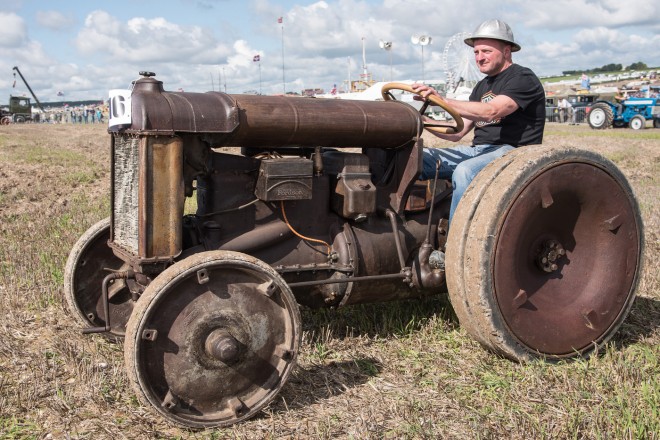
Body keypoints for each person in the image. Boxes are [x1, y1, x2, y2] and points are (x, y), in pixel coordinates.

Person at [411, 19, 545, 229]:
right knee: (416, 159)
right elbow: (457, 132)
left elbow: (493, 110)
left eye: (486, 51)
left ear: (507, 51)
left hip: (513, 153)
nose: (479, 58)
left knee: (465, 171)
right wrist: (423, 121)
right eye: (476, 52)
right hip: (479, 151)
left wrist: (442, 100)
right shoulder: (481, 86)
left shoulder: (523, 78)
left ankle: (455, 245)